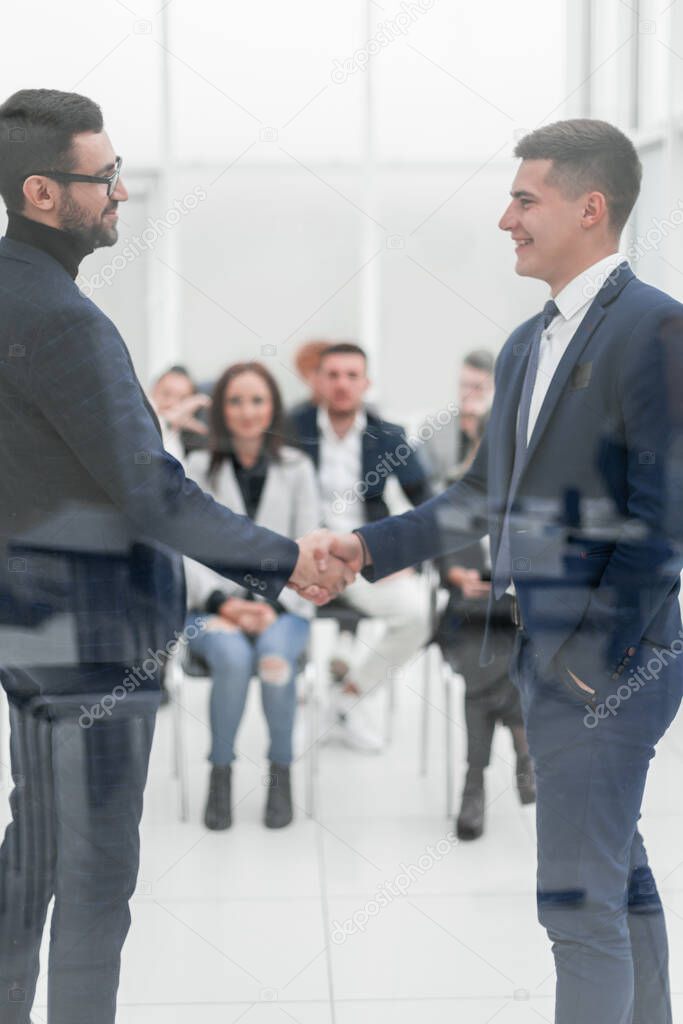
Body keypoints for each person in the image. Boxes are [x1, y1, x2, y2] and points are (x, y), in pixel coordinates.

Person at [315, 119, 683, 1023]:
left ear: (589, 208)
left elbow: (664, 515)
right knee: (610, 867)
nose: (504, 218)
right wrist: (368, 548)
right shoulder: (525, 343)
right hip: (545, 648)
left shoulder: (656, 330)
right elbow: (482, 496)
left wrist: (591, 661)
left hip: (608, 659)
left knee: (572, 901)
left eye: (525, 198)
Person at [0, 88, 350, 1024]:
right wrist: (287, 564)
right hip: (97, 643)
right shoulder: (66, 323)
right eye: (102, 176)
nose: (120, 191)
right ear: (42, 191)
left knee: (33, 850)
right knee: (97, 872)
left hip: (30, 629)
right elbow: (150, 489)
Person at [183, 363, 321, 830]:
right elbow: (189, 549)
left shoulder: (297, 469)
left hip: (284, 607)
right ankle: (219, 774)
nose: (247, 411)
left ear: (273, 409)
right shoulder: (198, 468)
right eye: (235, 401)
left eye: (257, 400)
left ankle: (280, 773)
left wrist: (272, 605)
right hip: (213, 610)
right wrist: (224, 604)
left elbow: (308, 548)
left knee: (274, 659)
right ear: (221, 409)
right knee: (233, 657)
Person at [289, 342, 434, 752]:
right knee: (281, 619)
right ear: (318, 381)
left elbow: (425, 501)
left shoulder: (387, 435)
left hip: (363, 556)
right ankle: (295, 712)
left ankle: (346, 699)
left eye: (352, 376)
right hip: (300, 557)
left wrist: (400, 554)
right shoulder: (291, 427)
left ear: (366, 383)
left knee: (418, 615)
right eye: (332, 375)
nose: (341, 384)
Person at [435, 394, 535, 841]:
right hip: (471, 615)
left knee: (494, 664)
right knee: (495, 657)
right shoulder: (458, 494)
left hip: (522, 619)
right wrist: (453, 572)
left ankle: (472, 786)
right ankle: (522, 741)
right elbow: (446, 558)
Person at [148, 363, 210, 460]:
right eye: (166, 394)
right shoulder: (138, 416)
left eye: (182, 399)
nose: (172, 403)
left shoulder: (183, 433)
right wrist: (168, 421)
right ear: (153, 390)